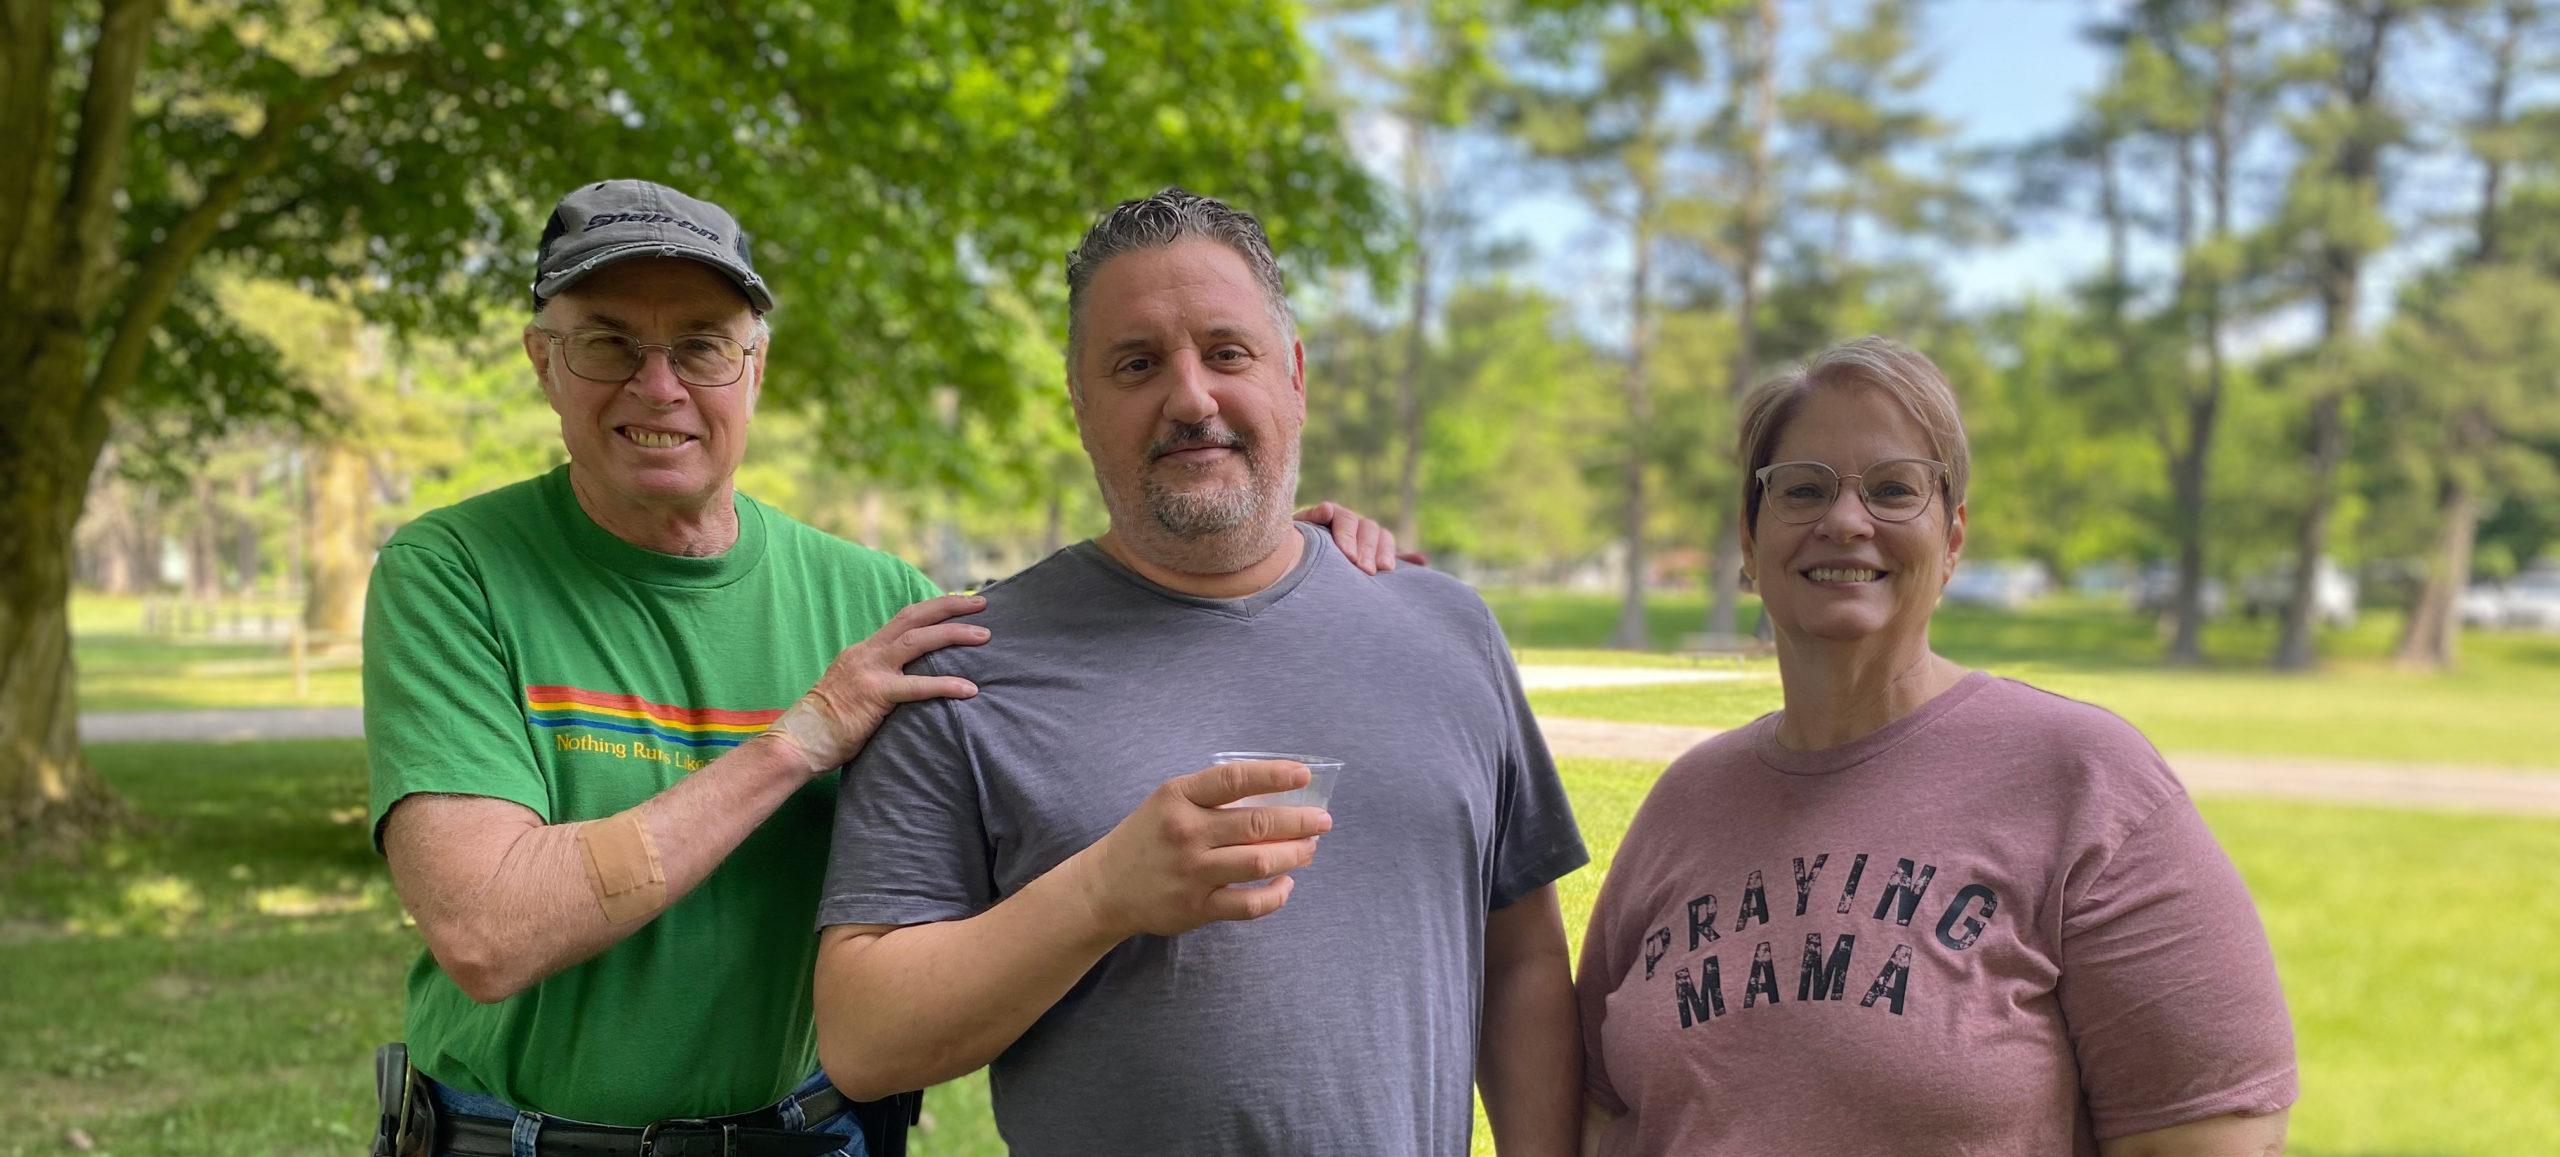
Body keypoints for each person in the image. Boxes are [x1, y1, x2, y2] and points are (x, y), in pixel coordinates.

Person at [363, 179, 1411, 1157]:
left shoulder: (878, 603)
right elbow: (488, 929)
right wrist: (800, 739)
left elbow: (1107, 638)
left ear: (754, 369)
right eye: (608, 343)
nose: (659, 385)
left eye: (701, 346)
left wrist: (1283, 552)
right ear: (544, 363)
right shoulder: (454, 571)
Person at [809, 188, 1590, 1156]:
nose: (1190, 398)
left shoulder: (1446, 627)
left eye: (1227, 352)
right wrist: (1100, 894)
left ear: (1293, 376)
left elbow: (1518, 959)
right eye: (1137, 364)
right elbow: (863, 1038)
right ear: (1082, 407)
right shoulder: (966, 665)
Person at [1573, 337, 2296, 1157]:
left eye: (1892, 489)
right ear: (1749, 536)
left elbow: (2209, 1135)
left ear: (1951, 539)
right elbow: (1600, 1111)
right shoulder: (1688, 801)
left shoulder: (2084, 780)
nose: (1845, 521)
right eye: (1803, 489)